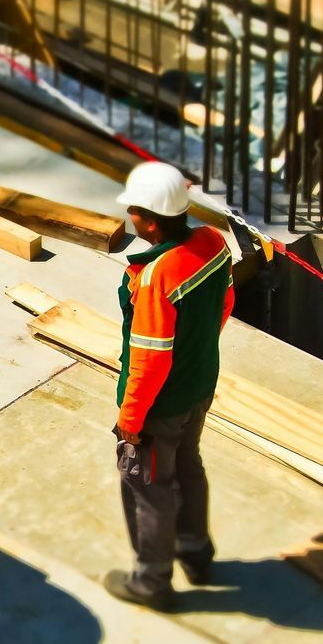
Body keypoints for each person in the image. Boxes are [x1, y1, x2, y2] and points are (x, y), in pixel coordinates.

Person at [103, 162, 235, 612]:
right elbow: (226, 302)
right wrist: (198, 357)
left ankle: (151, 582)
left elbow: (150, 357)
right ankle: (196, 554)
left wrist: (131, 419)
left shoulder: (158, 273)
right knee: (188, 466)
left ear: (151, 219)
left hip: (162, 404)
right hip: (200, 386)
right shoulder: (214, 244)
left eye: (134, 212)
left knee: (147, 484)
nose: (131, 219)